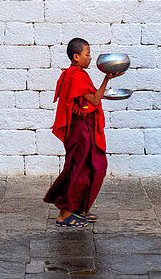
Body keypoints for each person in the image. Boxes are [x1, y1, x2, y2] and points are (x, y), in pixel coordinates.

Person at [43, 38, 123, 227]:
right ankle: (64, 214)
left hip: (82, 129)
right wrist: (106, 79)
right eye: (87, 54)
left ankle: (77, 209)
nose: (90, 58)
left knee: (89, 167)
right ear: (76, 56)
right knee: (79, 170)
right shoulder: (77, 75)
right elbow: (94, 101)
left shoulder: (72, 73)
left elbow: (86, 101)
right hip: (82, 132)